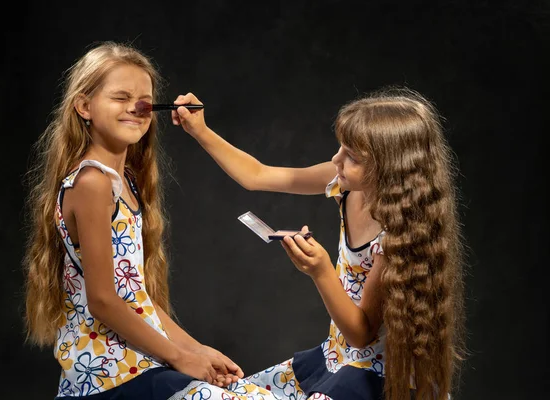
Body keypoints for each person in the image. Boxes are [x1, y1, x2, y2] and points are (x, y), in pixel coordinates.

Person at [22, 41, 286, 399]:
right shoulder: (92, 183)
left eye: (144, 101)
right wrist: (180, 358)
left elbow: (137, 298)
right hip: (109, 375)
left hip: (137, 363)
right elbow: (103, 300)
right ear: (84, 106)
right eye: (120, 97)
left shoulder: (125, 183)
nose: (135, 108)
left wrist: (197, 351)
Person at [172, 88, 467, 400]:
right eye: (340, 147)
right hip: (335, 359)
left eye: (351, 156)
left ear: (389, 168)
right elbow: (257, 175)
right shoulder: (346, 186)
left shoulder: (397, 236)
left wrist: (321, 270)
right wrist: (200, 130)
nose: (335, 159)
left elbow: (361, 333)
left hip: (371, 377)